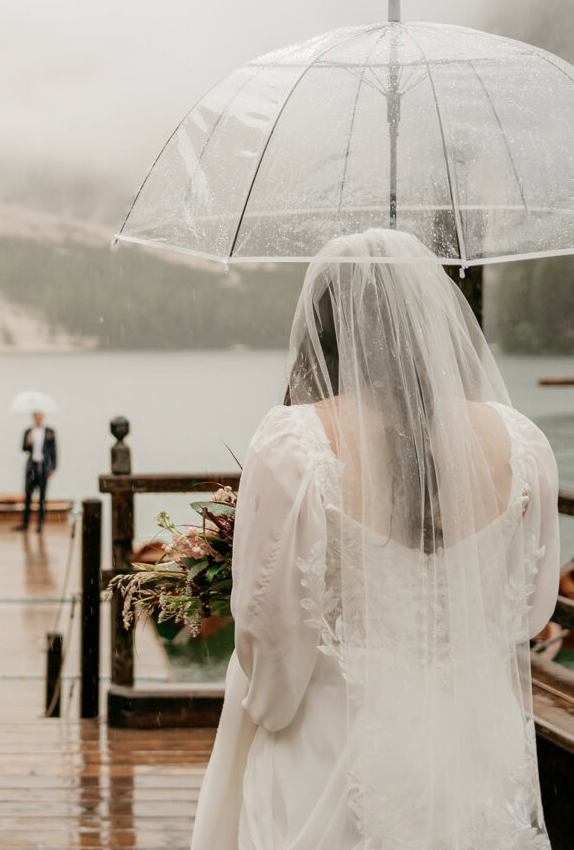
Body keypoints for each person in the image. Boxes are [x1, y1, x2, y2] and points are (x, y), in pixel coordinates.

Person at [191, 229, 560, 850]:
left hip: (331, 748)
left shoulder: (293, 445)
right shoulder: (522, 442)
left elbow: (269, 632)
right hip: (475, 749)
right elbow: (528, 611)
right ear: (432, 323)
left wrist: (266, 709)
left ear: (325, 330)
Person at [13, 411, 57, 533]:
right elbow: (24, 448)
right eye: (35, 415)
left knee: (42, 496)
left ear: (42, 417)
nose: (38, 418)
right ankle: (25, 522)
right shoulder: (28, 431)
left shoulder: (49, 432)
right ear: (33, 417)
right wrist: (28, 442)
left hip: (43, 466)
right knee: (28, 495)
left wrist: (52, 467)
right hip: (31, 466)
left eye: (40, 415)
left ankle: (40, 524)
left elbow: (54, 451)